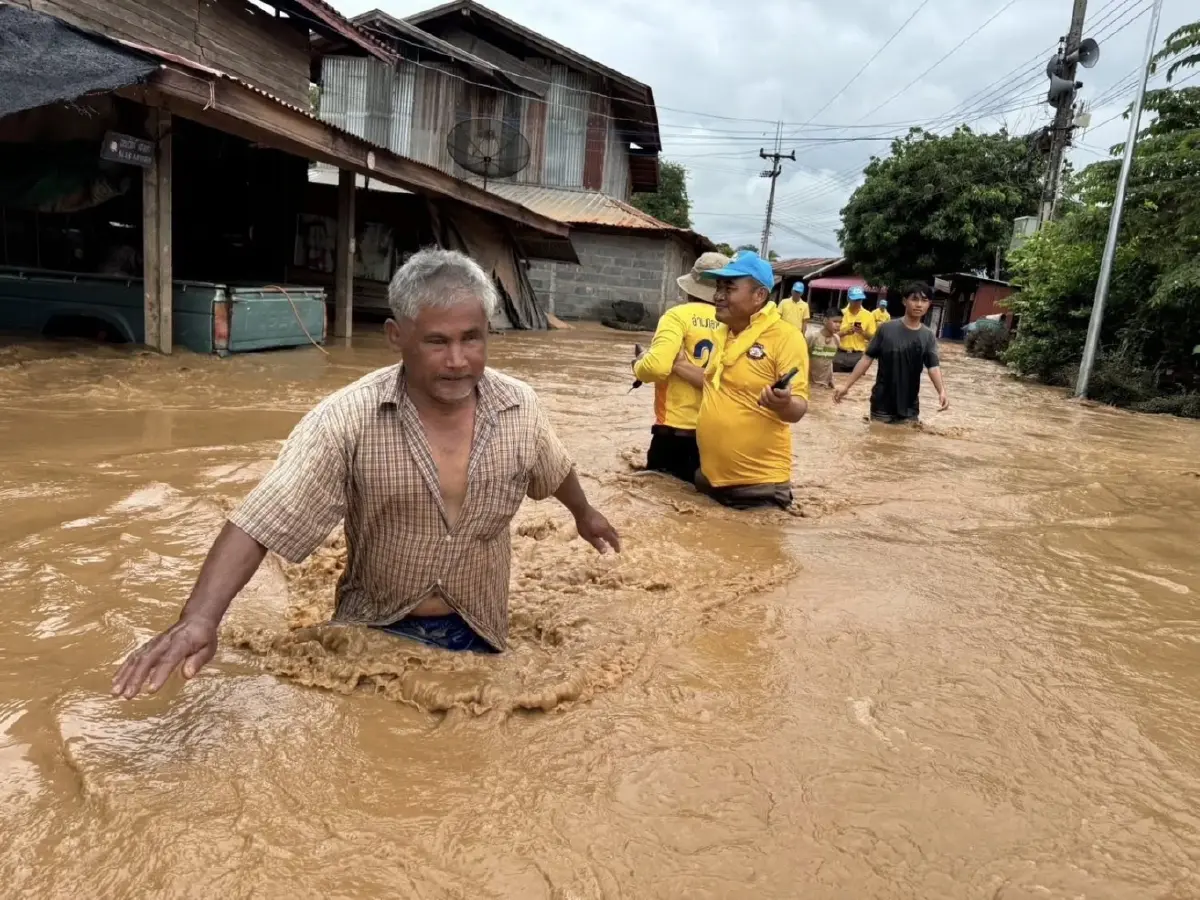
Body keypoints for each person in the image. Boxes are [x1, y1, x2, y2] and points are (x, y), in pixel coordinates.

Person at [112, 249, 621, 699]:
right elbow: (261, 518)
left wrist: (585, 512)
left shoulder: (519, 406)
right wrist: (201, 617)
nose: (458, 360)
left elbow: (552, 467)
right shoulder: (346, 418)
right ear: (397, 337)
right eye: (436, 342)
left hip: (482, 628)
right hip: (371, 632)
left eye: (473, 339)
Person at [693, 250, 809, 509]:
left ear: (759, 296)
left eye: (729, 288)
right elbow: (717, 385)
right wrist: (677, 366)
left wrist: (783, 404)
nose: (718, 296)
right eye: (718, 287)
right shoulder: (722, 333)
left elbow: (798, 408)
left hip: (757, 489)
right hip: (707, 480)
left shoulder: (786, 338)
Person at [631, 251, 729, 482]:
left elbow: (656, 368)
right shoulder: (736, 324)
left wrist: (638, 365)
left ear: (689, 288)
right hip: (718, 436)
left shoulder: (677, 316)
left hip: (674, 435)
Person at [834, 282, 949, 423]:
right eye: (914, 299)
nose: (919, 304)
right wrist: (846, 386)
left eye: (924, 301)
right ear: (904, 301)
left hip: (909, 405)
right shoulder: (886, 329)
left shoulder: (928, 336)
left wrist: (941, 391)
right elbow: (866, 360)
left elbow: (933, 367)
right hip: (882, 403)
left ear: (929, 304)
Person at [835, 285, 877, 372]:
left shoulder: (868, 316)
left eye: (860, 299)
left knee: (856, 383)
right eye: (855, 300)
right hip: (839, 354)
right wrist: (844, 332)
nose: (858, 302)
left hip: (858, 356)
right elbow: (831, 336)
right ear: (848, 299)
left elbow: (873, 338)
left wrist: (862, 332)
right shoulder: (840, 314)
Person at [807, 312, 842, 389]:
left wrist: (831, 379)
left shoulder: (836, 339)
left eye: (840, 322)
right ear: (825, 320)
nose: (838, 325)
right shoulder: (813, 337)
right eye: (835, 321)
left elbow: (829, 361)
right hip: (810, 384)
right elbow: (801, 358)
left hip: (825, 385)